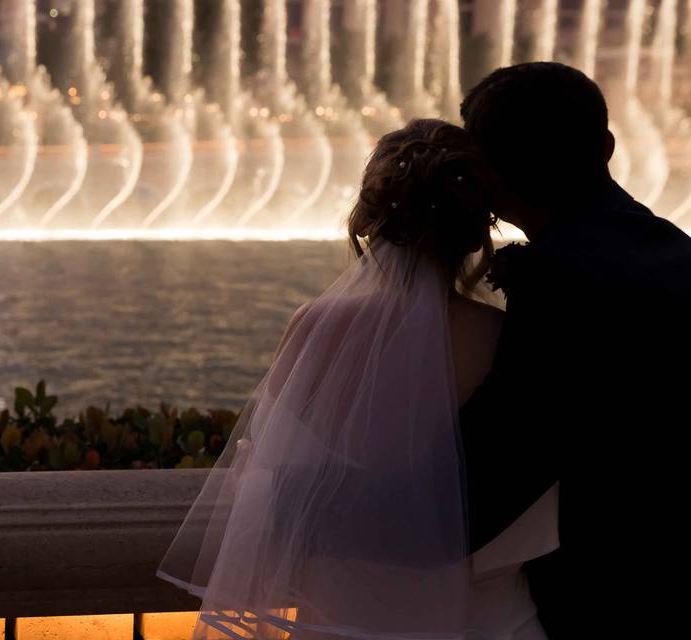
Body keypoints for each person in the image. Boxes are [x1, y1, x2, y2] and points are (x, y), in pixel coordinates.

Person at [157, 119, 557, 639]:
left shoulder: (313, 331)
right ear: (478, 226)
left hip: (343, 617)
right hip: (493, 619)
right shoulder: (506, 337)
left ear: (369, 216)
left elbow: (274, 485)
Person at [459, 62, 691, 638]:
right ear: (608, 146)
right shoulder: (676, 251)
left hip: (612, 598)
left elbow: (497, 470)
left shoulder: (557, 280)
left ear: (485, 172)